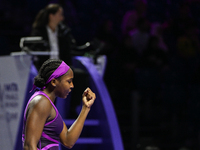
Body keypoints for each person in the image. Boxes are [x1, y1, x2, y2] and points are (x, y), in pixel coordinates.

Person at [22, 59, 96, 150]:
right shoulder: (41, 102)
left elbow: (68, 141)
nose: (72, 86)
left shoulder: (47, 103)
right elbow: (29, 146)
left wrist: (86, 108)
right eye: (69, 81)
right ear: (53, 82)